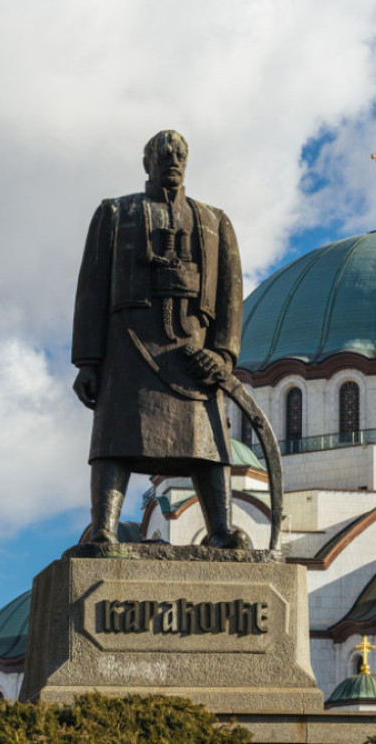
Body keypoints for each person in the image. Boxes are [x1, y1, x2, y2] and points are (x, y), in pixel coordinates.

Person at [71, 130, 247, 548]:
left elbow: (230, 296)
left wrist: (223, 354)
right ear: (147, 162)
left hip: (193, 352)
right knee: (115, 439)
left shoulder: (213, 221)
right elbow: (91, 290)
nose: (173, 161)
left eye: (180, 155)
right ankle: (104, 531)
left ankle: (220, 530)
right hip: (128, 347)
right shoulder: (116, 214)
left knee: (208, 443)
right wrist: (88, 362)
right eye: (164, 154)